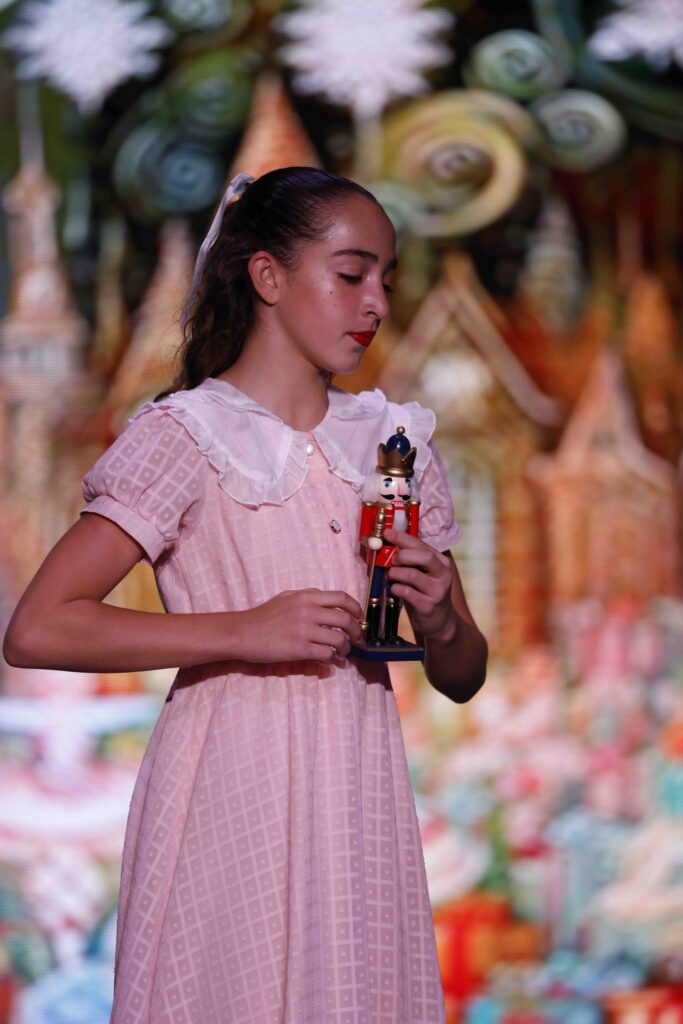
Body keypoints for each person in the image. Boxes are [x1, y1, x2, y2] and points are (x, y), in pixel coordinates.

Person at [3, 166, 488, 1024]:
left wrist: (441, 614)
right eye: (351, 275)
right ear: (267, 276)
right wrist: (242, 630)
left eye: (385, 279)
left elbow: (462, 673)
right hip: (229, 778)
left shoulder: (393, 443)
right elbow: (40, 628)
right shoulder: (187, 434)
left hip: (357, 786)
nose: (375, 302)